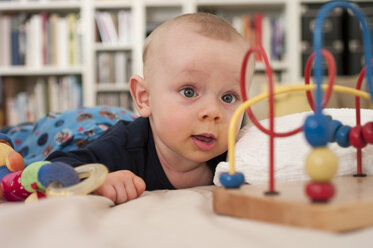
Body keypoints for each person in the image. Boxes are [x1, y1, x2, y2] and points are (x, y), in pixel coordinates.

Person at [46, 12, 255, 204]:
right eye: (189, 92)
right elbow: (54, 168)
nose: (212, 112)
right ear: (145, 98)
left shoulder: (238, 155)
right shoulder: (122, 148)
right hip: (85, 126)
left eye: (229, 97)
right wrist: (99, 181)